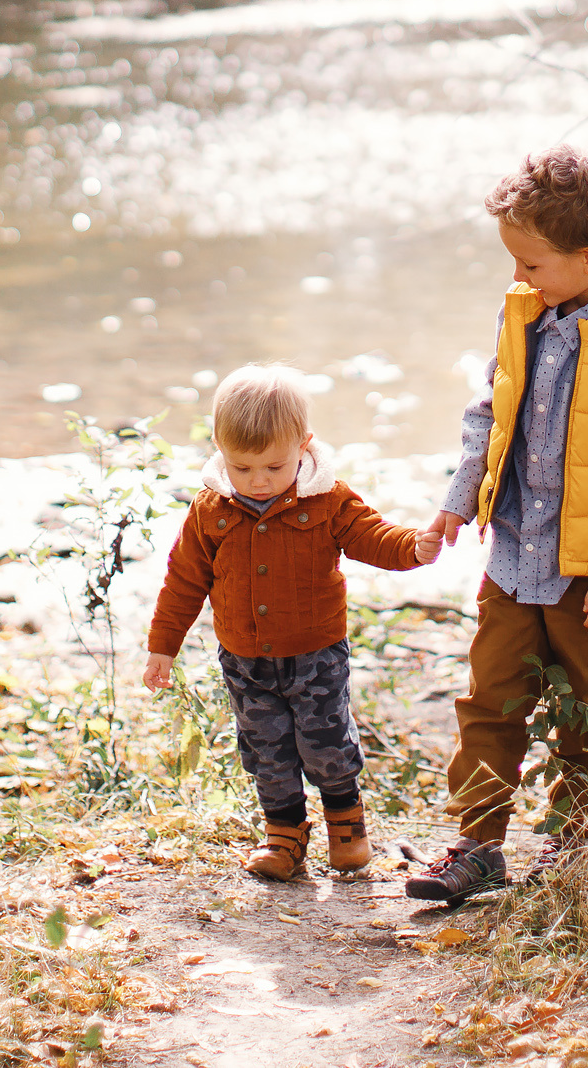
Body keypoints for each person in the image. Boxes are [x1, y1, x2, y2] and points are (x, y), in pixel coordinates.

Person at [405, 146, 588, 904]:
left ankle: (573, 844)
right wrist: (456, 498)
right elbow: (487, 413)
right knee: (489, 698)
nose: (518, 275)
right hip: (513, 558)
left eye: (531, 262)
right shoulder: (524, 310)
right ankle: (478, 843)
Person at [144, 363, 442, 880]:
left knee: (325, 742)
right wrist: (161, 648)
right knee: (266, 748)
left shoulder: (327, 500)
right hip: (244, 658)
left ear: (304, 446)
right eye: (242, 469)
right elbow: (184, 581)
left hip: (316, 653)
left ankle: (346, 828)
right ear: (218, 448)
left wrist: (412, 546)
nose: (258, 482)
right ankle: (283, 837)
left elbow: (372, 536)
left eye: (274, 468)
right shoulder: (210, 510)